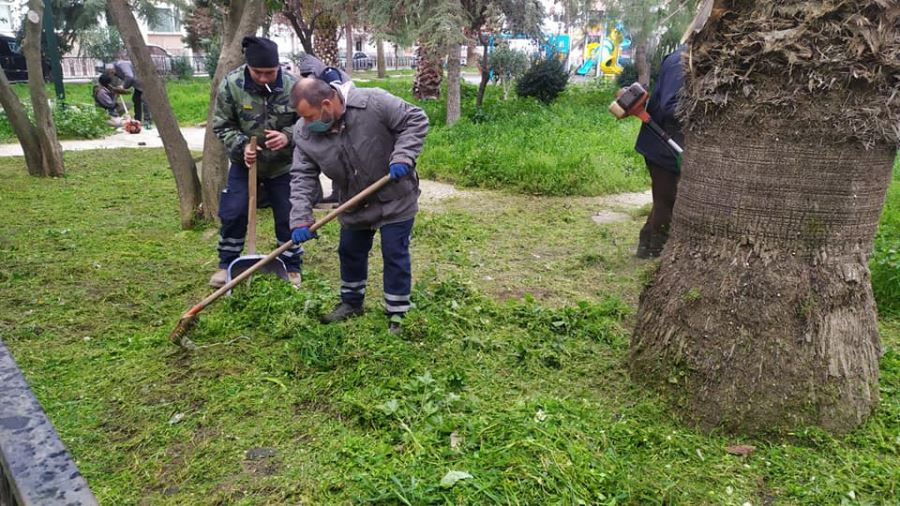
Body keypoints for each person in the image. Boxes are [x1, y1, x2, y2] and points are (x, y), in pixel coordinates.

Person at [288, 77, 429, 335]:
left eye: (309, 117)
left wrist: (403, 155)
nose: (306, 124)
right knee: (349, 250)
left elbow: (416, 119)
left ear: (328, 104)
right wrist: (300, 217)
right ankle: (352, 303)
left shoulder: (373, 102)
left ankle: (398, 312)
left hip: (395, 195)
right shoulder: (304, 132)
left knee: (394, 253)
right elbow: (302, 176)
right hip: (353, 202)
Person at [209, 36, 302, 289]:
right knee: (234, 211)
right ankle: (227, 263)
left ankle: (291, 265)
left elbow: (307, 121)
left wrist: (287, 136)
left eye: (269, 73)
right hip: (245, 164)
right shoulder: (232, 85)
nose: (263, 78)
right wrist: (242, 146)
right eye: (258, 72)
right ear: (248, 67)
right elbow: (222, 125)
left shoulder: (294, 86)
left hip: (283, 166)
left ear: (278, 68)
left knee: (288, 214)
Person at [634, 45, 686, 258]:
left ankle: (645, 246)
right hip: (661, 144)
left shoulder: (690, 57)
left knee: (663, 200)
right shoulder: (680, 61)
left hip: (670, 144)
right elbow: (670, 105)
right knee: (668, 201)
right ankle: (655, 251)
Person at [105, 60, 148, 125]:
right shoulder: (115, 71)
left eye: (111, 72)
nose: (112, 74)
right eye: (110, 73)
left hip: (145, 82)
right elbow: (124, 80)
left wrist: (123, 86)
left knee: (145, 100)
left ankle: (147, 120)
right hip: (138, 85)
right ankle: (137, 120)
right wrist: (119, 90)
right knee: (136, 99)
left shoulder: (122, 64)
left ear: (113, 68)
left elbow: (129, 77)